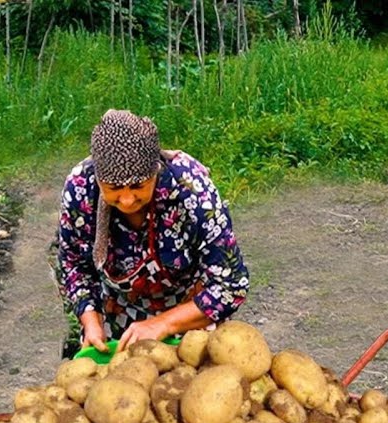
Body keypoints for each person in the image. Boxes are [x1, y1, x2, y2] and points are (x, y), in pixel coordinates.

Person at [54, 109, 250, 355]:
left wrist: (163, 324)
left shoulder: (192, 191)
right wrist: (91, 321)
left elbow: (232, 285)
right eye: (113, 188)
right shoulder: (81, 187)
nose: (126, 200)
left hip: (191, 316)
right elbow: (74, 265)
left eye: (138, 186)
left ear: (154, 172)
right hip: (120, 317)